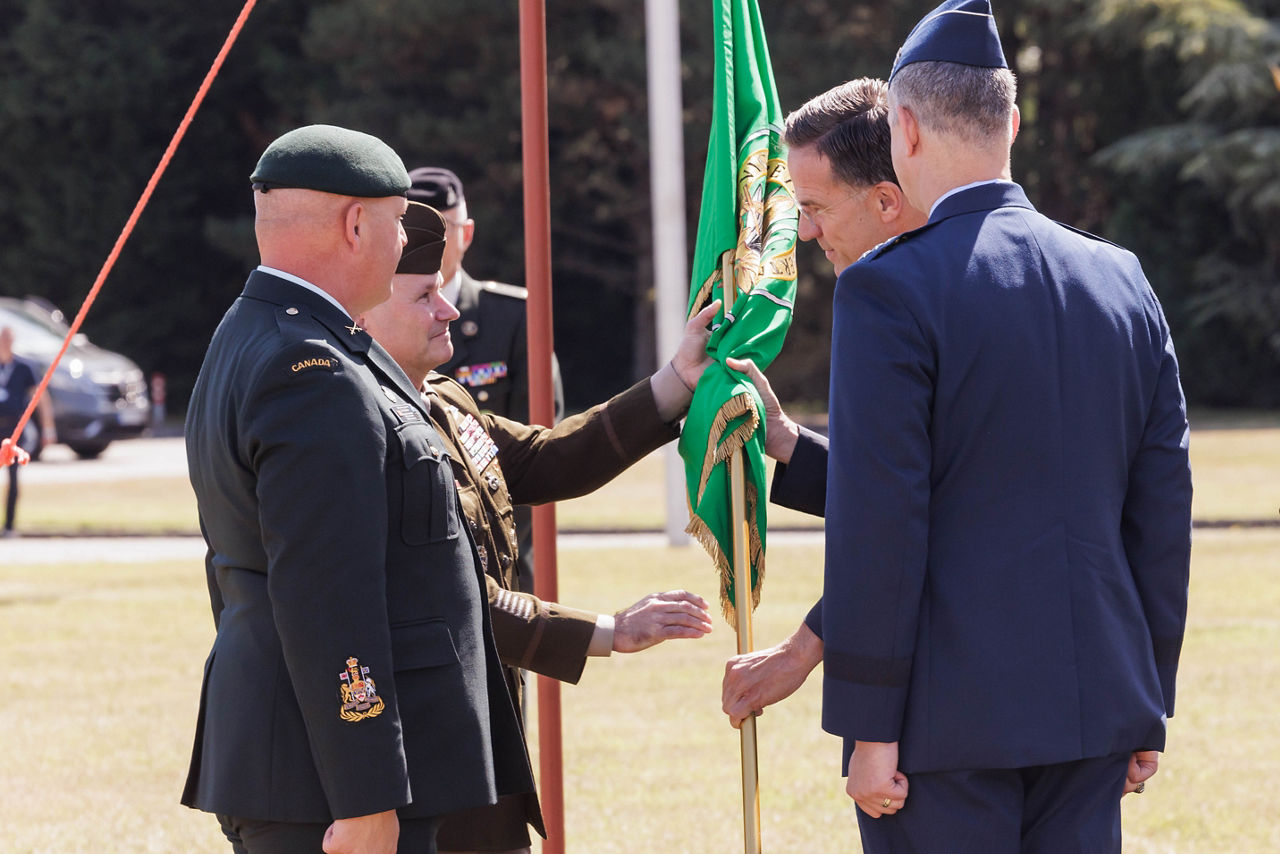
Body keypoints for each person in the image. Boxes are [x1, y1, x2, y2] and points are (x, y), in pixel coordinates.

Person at [823, 1, 1193, 851]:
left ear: (903, 131)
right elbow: (1161, 506)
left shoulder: (888, 287)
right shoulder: (1122, 279)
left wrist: (870, 728)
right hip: (1095, 709)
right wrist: (1147, 696)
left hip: (940, 733)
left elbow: (882, 521)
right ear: (1013, 124)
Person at [182, 124, 531, 854]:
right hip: (328, 783)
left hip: (302, 760)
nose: (407, 244)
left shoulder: (262, 332)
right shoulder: (312, 368)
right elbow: (326, 593)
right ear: (354, 224)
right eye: (401, 222)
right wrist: (367, 792)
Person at [358, 201, 718, 854]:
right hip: (424, 756)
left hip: (483, 730)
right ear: (364, 314)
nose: (450, 311)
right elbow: (452, 602)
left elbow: (550, 458)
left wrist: (675, 382)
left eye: (444, 291)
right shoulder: (366, 432)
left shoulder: (441, 398)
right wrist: (611, 631)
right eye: (425, 296)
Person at [719, 77, 926, 723]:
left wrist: (802, 649)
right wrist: (788, 444)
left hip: (943, 695)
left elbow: (910, 517)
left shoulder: (891, 299)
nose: (804, 232)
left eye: (815, 207)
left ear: (886, 200)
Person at [406, 167, 561, 598]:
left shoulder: (513, 317)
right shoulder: (376, 314)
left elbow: (539, 446)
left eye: (441, 226)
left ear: (466, 233)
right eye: (413, 226)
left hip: (501, 559)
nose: (427, 241)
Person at [0, 325, 56, 537]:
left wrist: (48, 428)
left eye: (7, 339)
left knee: (13, 479)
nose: (4, 343)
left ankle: (9, 526)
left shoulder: (24, 368)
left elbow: (41, 398)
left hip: (14, 431)